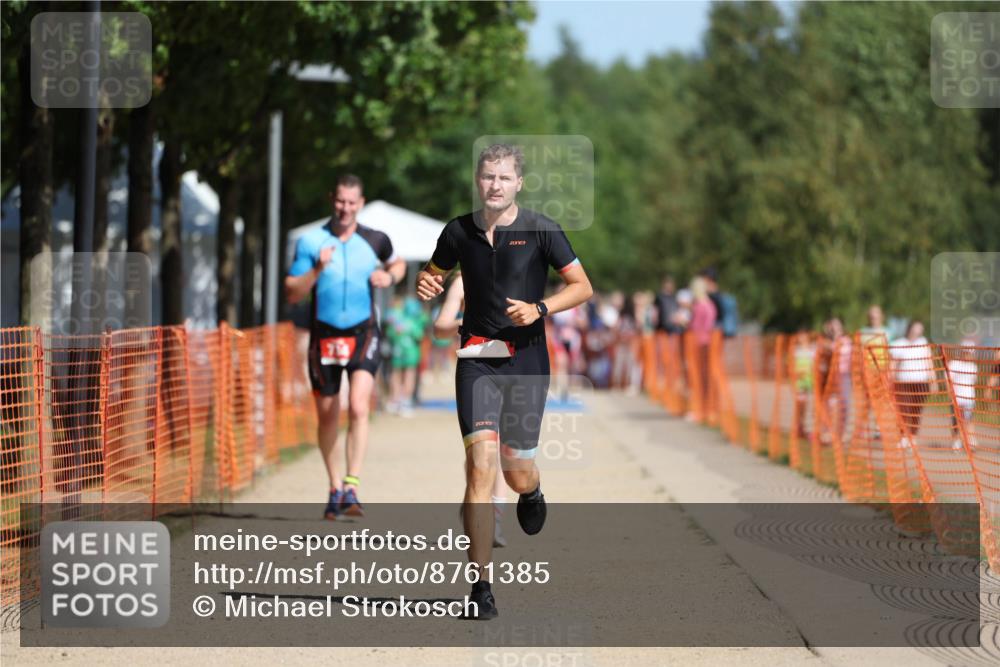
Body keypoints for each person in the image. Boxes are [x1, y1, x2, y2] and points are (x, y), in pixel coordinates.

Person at [416, 143, 593, 619]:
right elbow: (432, 277)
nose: (494, 185)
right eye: (487, 177)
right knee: (480, 468)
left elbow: (582, 286)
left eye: (503, 178)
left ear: (519, 183)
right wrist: (425, 284)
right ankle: (481, 588)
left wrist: (540, 308)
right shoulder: (457, 232)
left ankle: (532, 489)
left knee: (515, 472)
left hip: (527, 362)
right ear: (478, 180)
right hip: (476, 360)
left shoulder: (542, 230)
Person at [285, 174, 405, 519]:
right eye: (340, 201)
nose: (345, 208)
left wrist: (390, 277)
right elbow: (292, 291)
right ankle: (334, 486)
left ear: (361, 203)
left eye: (352, 202)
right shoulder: (311, 241)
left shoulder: (375, 239)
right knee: (327, 415)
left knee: (357, 406)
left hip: (363, 332)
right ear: (331, 199)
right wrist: (318, 268)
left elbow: (395, 263)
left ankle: (352, 484)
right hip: (323, 335)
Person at [433, 274, 510, 548]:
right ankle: (481, 507)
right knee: (482, 449)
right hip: (477, 368)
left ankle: (495, 516)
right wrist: (462, 323)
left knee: (502, 446)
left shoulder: (518, 265)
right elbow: (440, 327)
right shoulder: (462, 280)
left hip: (513, 366)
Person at [889, 320, 933, 448]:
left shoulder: (923, 343)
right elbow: (894, 364)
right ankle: (903, 436)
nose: (917, 331)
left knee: (916, 411)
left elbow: (929, 362)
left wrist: (933, 380)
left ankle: (913, 437)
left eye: (920, 329)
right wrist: (890, 379)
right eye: (915, 328)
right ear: (909, 329)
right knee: (904, 410)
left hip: (920, 383)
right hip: (903, 382)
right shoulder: (899, 344)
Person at [385, 296, 428, 417]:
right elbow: (419, 336)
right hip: (411, 353)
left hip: (397, 351)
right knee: (409, 375)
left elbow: (390, 333)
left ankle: (394, 400)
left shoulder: (397, 319)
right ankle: (405, 401)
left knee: (395, 374)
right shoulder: (414, 322)